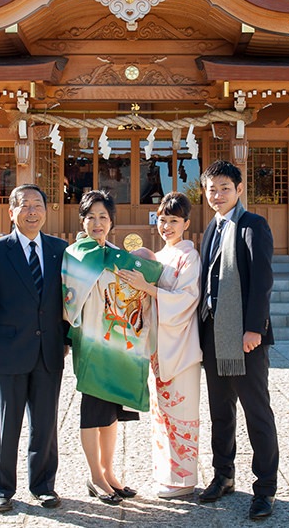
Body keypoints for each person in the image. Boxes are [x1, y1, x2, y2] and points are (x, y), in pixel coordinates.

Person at [0, 184, 68, 513]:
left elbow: (67, 300)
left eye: (37, 204)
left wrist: (66, 339)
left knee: (45, 423)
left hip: (49, 350)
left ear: (46, 210)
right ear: (11, 212)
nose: (32, 211)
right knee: (5, 424)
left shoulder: (60, 249)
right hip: (8, 351)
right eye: (24, 205)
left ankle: (43, 485)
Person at [195, 160, 279, 521]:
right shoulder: (212, 228)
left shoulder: (253, 225)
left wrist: (254, 329)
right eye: (212, 189)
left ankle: (265, 489)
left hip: (244, 336)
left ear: (239, 189)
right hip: (213, 332)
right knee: (220, 411)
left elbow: (261, 281)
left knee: (256, 412)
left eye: (225, 188)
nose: (217, 195)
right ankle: (223, 475)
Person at [63, 190, 153, 505]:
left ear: (112, 221)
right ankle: (95, 475)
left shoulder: (117, 255)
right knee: (92, 412)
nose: (97, 222)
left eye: (103, 217)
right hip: (90, 344)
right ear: (82, 221)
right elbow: (67, 303)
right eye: (91, 217)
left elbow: (137, 294)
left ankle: (110, 472)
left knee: (111, 413)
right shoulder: (74, 254)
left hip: (116, 344)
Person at [115, 191, 202, 499]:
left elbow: (187, 301)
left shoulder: (189, 257)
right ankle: (165, 473)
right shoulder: (160, 256)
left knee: (181, 410)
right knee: (161, 413)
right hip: (157, 345)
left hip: (179, 346)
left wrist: (148, 288)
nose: (167, 227)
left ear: (186, 223)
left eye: (174, 221)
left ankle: (184, 480)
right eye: (163, 220)